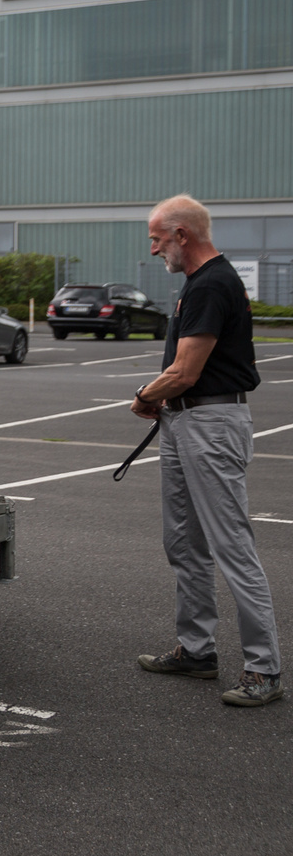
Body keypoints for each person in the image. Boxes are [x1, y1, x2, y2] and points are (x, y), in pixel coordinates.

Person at [131, 195, 280, 706]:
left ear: (182, 235)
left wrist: (145, 396)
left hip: (211, 423)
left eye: (157, 239)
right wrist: (164, 401)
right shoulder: (200, 283)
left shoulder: (213, 283)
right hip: (185, 419)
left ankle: (264, 670)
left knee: (231, 546)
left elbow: (186, 371)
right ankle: (197, 651)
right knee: (183, 542)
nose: (154, 250)